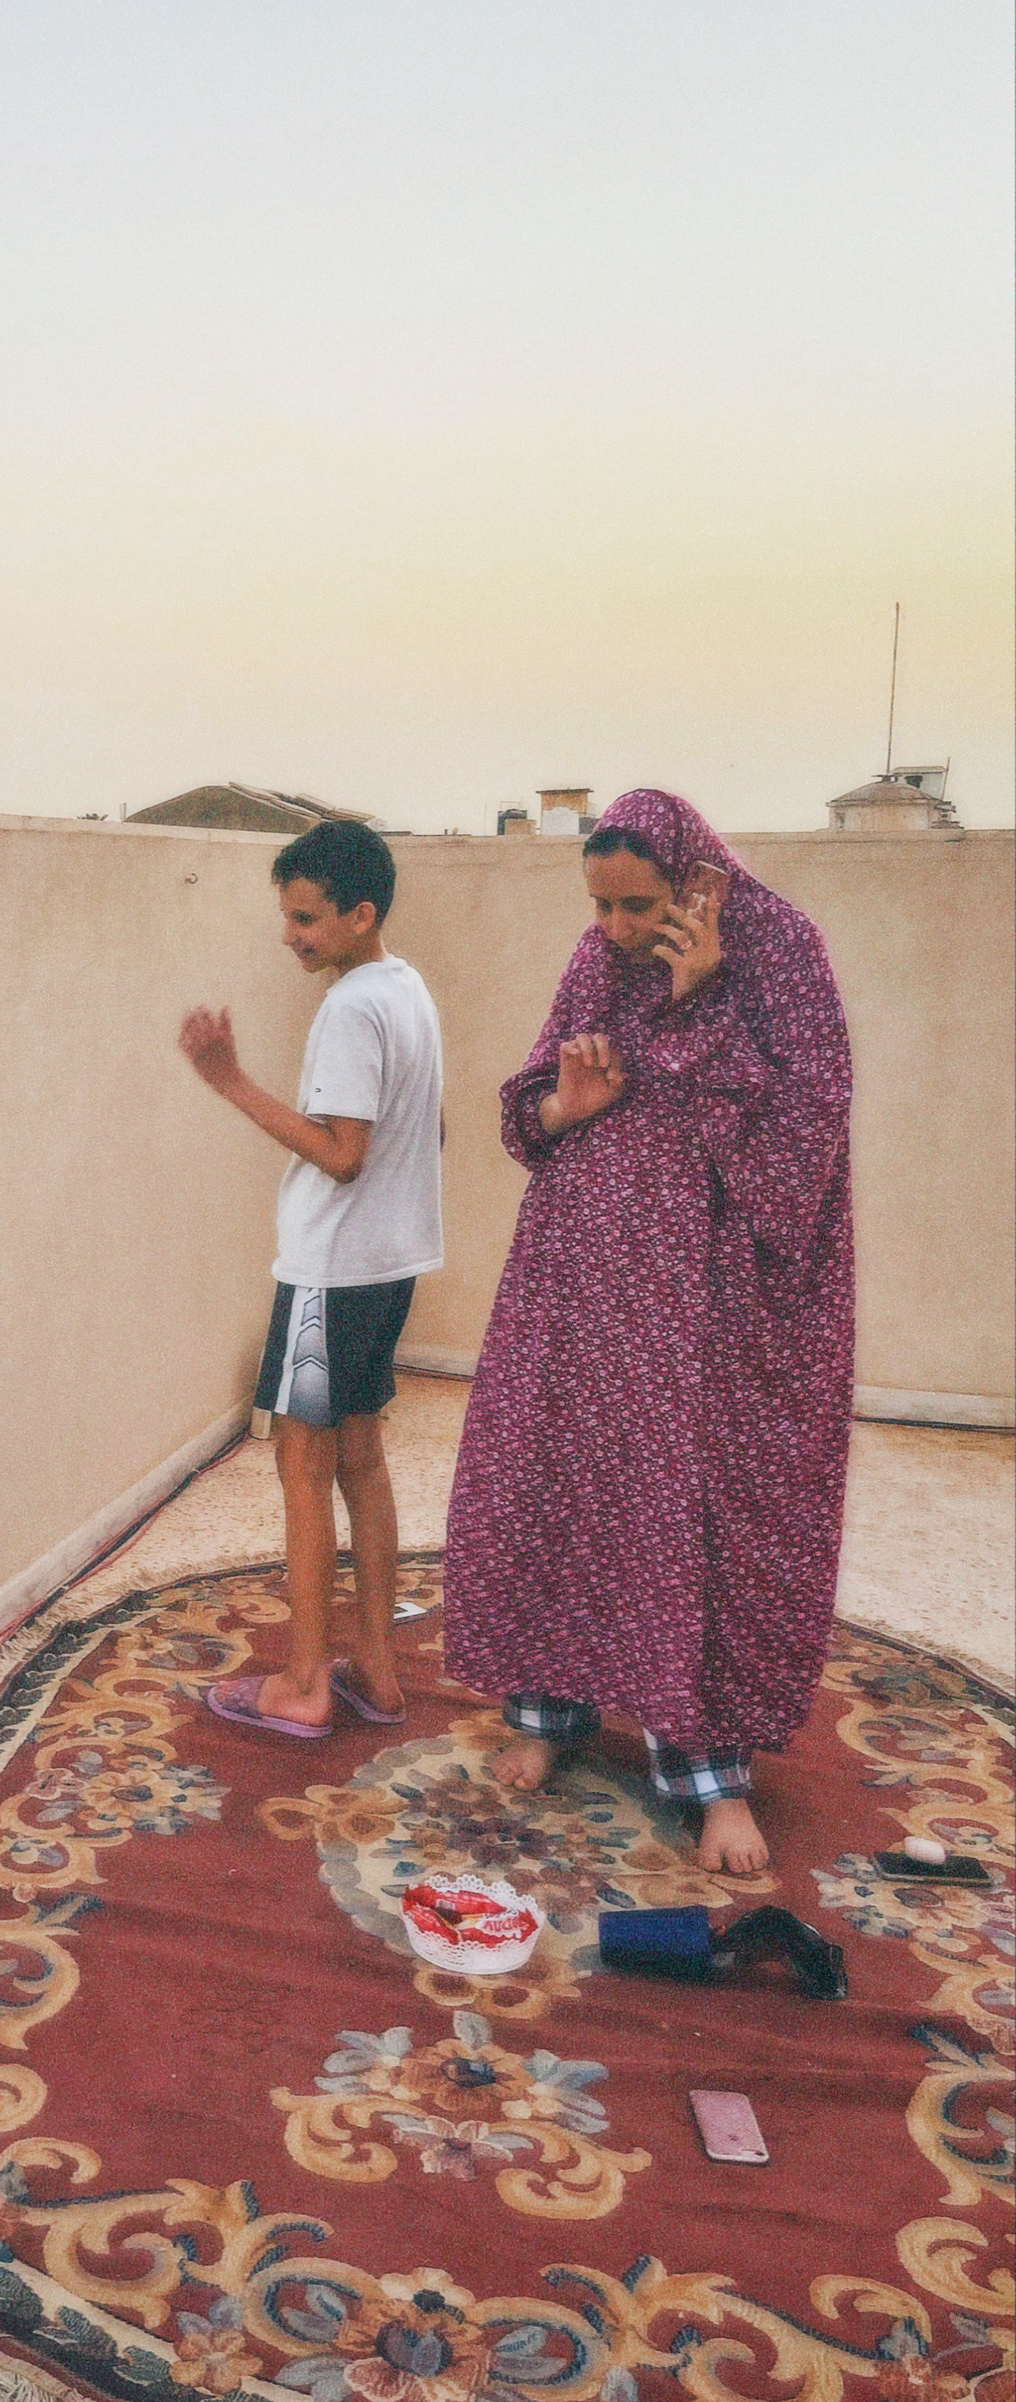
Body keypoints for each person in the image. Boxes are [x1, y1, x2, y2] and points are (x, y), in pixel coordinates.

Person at [442, 789, 854, 1875]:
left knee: (687, 1499)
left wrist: (705, 993)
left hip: (705, 1293)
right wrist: (569, 1106)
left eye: (638, 905)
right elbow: (526, 1110)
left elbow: (806, 1136)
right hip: (579, 1270)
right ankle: (548, 1715)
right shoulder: (595, 958)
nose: (617, 929)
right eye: (602, 905)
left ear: (694, 878)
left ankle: (710, 1777)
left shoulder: (785, 953)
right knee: (567, 1471)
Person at [179, 821, 444, 1737]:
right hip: (390, 1265)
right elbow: (429, 1130)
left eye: (306, 919)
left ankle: (304, 1683)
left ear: (359, 914)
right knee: (360, 1462)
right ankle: (375, 1670)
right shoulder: (408, 991)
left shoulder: (349, 1010)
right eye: (286, 916)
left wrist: (228, 1081)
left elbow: (341, 1153)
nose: (290, 935)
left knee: (302, 1466)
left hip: (330, 1277)